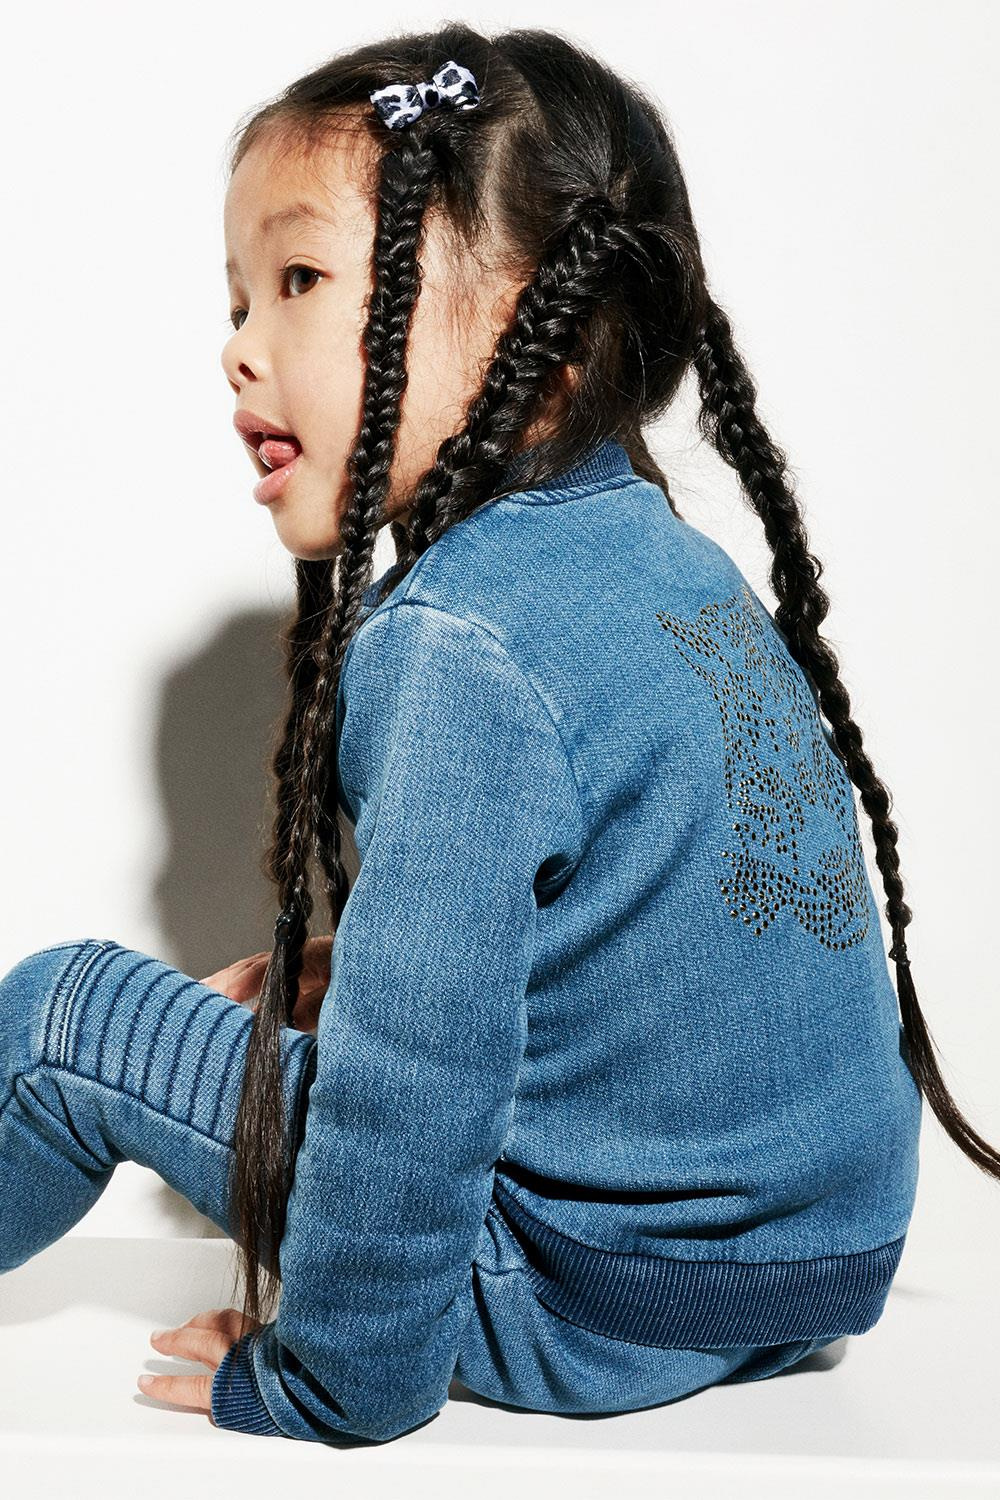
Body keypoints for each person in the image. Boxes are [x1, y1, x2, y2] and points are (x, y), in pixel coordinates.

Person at [2, 23, 997, 1450]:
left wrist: (334, 1372)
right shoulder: (674, 573)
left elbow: (411, 1096)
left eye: (298, 281)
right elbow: (662, 933)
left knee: (63, 1023)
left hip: (584, 1304)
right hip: (804, 1280)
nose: (237, 348)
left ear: (536, 328)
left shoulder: (457, 639)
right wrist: (348, 971)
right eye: (235, 300)